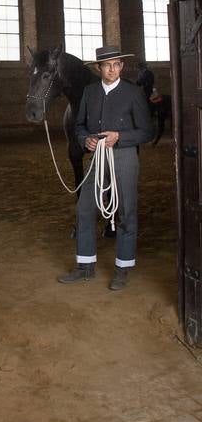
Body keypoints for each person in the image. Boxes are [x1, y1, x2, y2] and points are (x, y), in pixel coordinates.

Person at [57, 45, 154, 291]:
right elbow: (79, 126)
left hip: (124, 158)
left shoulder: (133, 92)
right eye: (107, 65)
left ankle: (122, 268)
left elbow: (146, 131)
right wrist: (85, 139)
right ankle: (85, 265)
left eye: (116, 64)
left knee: (126, 212)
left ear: (121, 66)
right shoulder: (89, 93)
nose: (112, 69)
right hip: (97, 159)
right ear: (98, 68)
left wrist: (119, 136)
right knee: (84, 209)